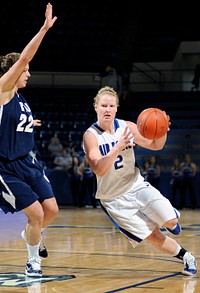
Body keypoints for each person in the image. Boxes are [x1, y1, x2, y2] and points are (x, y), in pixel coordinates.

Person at [82, 86, 197, 276]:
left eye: (111, 105)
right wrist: (118, 147)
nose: (107, 109)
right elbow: (99, 169)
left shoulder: (126, 127)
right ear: (96, 107)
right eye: (103, 105)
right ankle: (187, 257)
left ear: (117, 107)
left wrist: (162, 130)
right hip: (113, 199)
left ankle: (170, 220)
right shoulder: (90, 136)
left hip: (135, 185)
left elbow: (155, 146)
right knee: (153, 237)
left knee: (171, 221)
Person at [0, 3, 58, 277]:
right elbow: (23, 59)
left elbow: (11, 121)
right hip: (5, 167)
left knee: (52, 210)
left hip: (27, 162)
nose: (28, 73)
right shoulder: (3, 89)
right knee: (36, 215)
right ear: (13, 72)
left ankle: (31, 235)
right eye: (25, 71)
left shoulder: (19, 99)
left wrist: (27, 123)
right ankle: (33, 261)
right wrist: (44, 29)